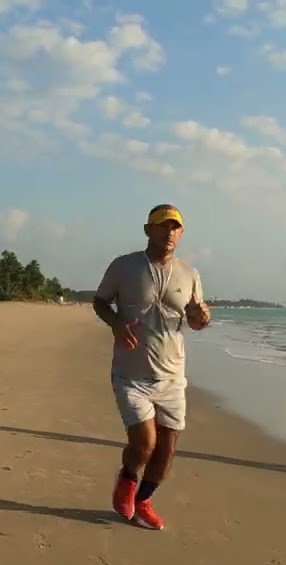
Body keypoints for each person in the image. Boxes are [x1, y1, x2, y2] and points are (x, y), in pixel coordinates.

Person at [91, 204, 211, 530]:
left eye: (175, 227)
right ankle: (128, 479)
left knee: (167, 448)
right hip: (131, 374)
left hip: (172, 376)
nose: (169, 232)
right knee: (145, 443)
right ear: (148, 230)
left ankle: (144, 498)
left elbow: (196, 317)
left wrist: (202, 320)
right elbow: (100, 301)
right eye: (162, 226)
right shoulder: (124, 266)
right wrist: (116, 324)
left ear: (181, 233)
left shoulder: (190, 274)